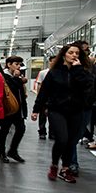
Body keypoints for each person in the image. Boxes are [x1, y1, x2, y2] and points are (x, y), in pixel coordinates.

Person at [32, 44, 93, 183]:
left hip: (76, 111)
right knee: (62, 139)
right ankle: (54, 165)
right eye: (71, 52)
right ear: (64, 55)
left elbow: (88, 86)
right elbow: (44, 92)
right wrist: (36, 110)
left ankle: (65, 169)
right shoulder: (54, 72)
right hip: (57, 110)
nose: (74, 55)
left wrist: (78, 70)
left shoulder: (82, 72)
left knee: (71, 141)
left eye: (77, 53)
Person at [69, 40, 94, 175]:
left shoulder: (90, 66)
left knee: (78, 134)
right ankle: (72, 162)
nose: (88, 51)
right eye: (85, 49)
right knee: (72, 135)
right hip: (72, 106)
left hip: (87, 105)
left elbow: (91, 83)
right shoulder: (67, 67)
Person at [0, 56, 27, 163]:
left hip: (18, 108)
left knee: (21, 128)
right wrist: (16, 78)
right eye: (16, 64)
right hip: (8, 108)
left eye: (20, 64)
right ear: (9, 64)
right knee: (4, 130)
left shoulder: (18, 76)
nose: (18, 67)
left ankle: (13, 150)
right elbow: (11, 88)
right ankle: (1, 152)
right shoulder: (3, 75)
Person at [34, 56, 56, 140]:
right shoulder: (43, 73)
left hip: (53, 99)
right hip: (44, 97)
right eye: (53, 61)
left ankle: (52, 133)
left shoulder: (59, 73)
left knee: (52, 116)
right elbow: (39, 85)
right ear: (49, 62)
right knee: (42, 116)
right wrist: (39, 97)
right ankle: (42, 132)